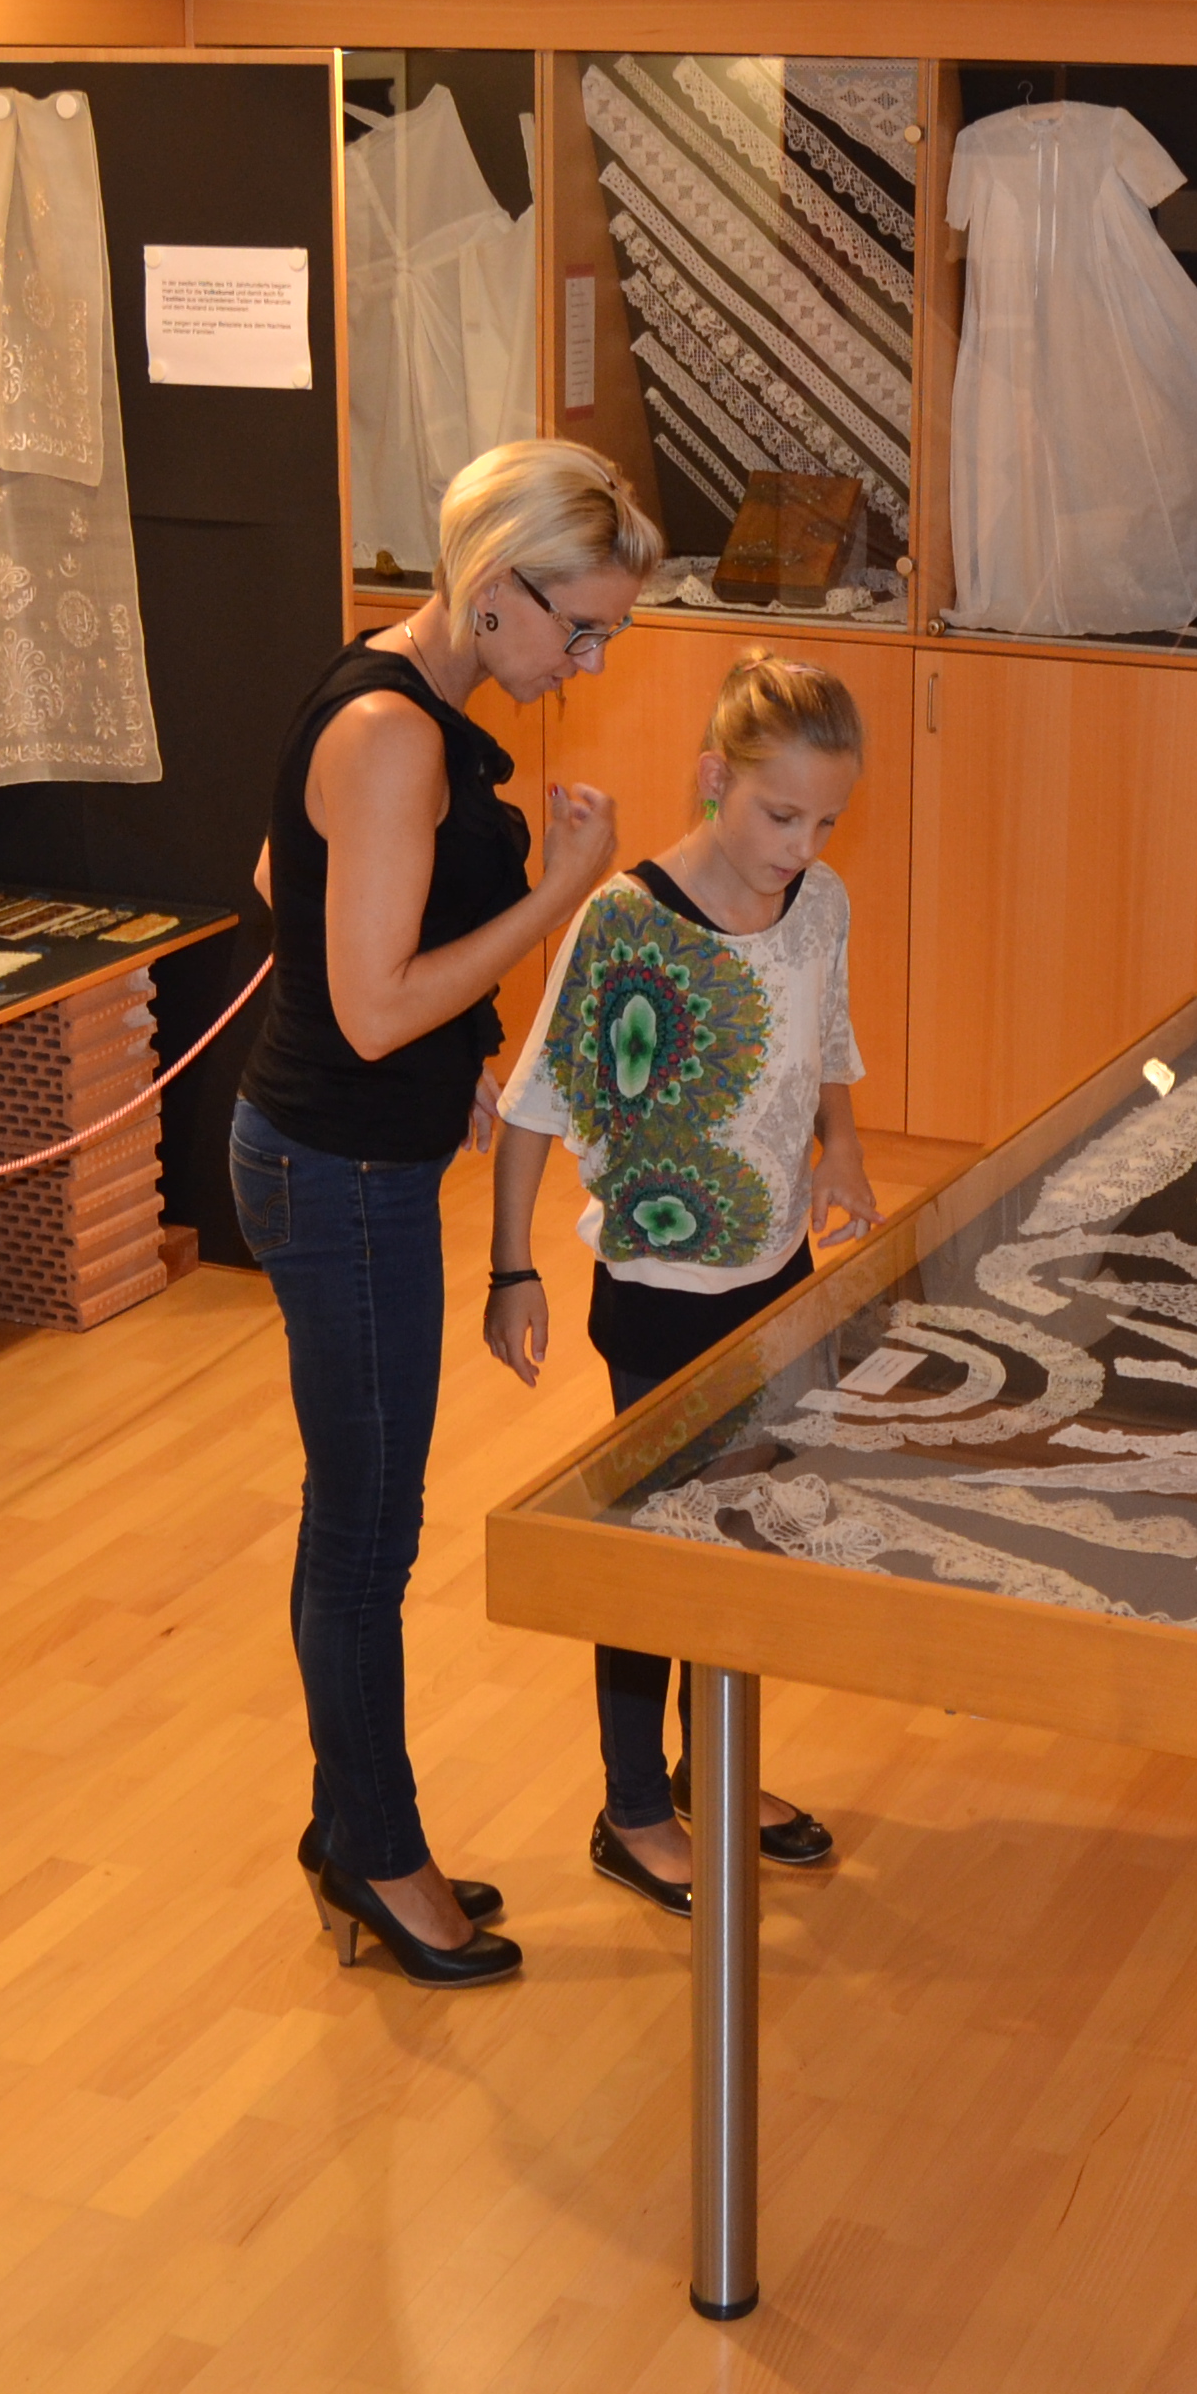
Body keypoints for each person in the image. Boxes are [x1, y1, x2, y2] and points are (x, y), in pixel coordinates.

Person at [237, 438, 657, 1989]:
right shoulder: (393, 734)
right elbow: (366, 1011)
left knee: (358, 1519)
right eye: (580, 628)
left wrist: (456, 1063)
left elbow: (279, 877)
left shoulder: (393, 690)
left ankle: (355, 1826)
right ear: (497, 589)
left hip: (353, 1156)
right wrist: (561, 894)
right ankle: (373, 1850)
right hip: (339, 1175)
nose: (585, 663)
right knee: (367, 1537)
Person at [483, 652, 878, 1915]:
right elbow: (535, 1101)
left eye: (825, 822)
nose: (800, 847)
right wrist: (510, 1266)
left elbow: (827, 1038)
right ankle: (632, 1807)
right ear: (716, 778)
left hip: (777, 1274)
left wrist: (845, 1151)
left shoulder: (820, 905)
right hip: (657, 1288)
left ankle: (713, 1766)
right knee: (656, 1549)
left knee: (743, 1539)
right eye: (780, 815)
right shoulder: (625, 923)